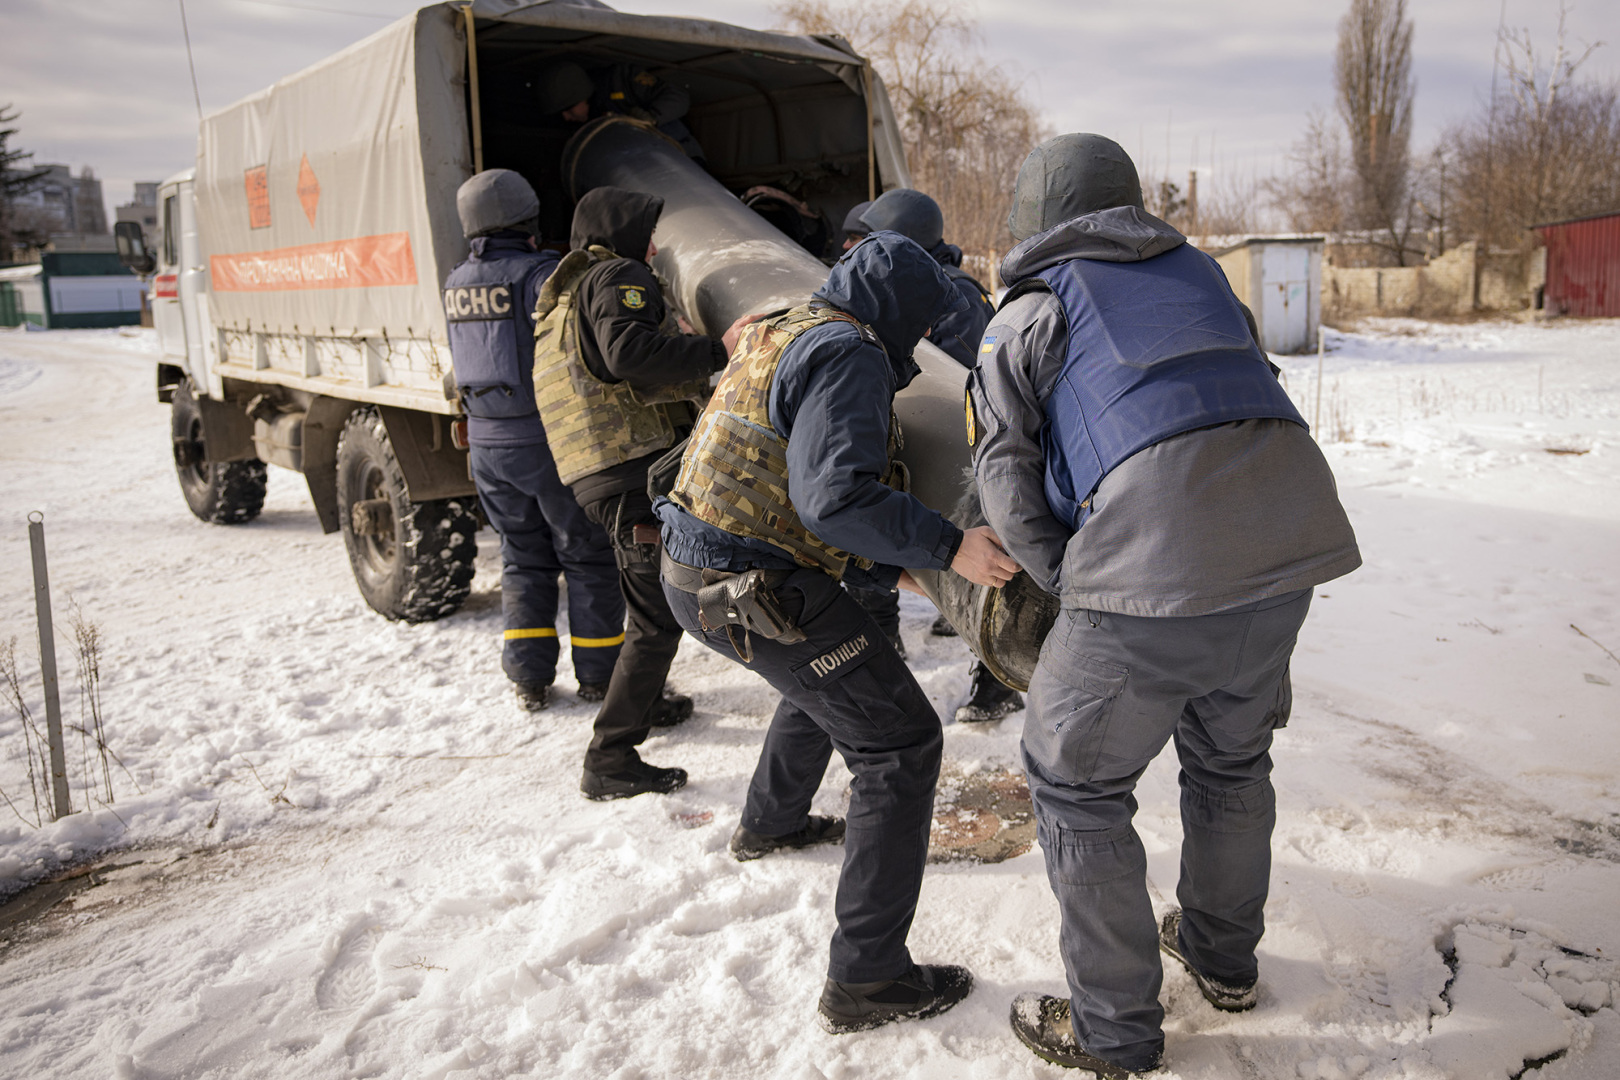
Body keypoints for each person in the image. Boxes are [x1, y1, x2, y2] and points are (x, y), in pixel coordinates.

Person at [970, 134, 1362, 1077]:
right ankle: (1224, 961)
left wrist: (1075, 581)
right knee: (1232, 758)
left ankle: (1114, 1033)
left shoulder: (1026, 313)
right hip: (1288, 552)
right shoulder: (1206, 284)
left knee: (1074, 785)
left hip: (1147, 570)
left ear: (1030, 215)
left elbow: (1004, 481)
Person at [656, 231, 1022, 1032]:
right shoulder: (850, 355)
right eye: (921, 328)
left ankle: (772, 821)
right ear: (900, 316)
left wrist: (881, 569)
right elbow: (831, 497)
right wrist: (949, 545)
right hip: (752, 584)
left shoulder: (785, 325)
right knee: (899, 744)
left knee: (840, 664)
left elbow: (782, 475)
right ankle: (867, 979)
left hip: (701, 570)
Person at [532, 185, 751, 800]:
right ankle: (611, 756)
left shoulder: (562, 295)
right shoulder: (617, 274)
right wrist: (718, 350)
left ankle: (648, 702)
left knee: (649, 601)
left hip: (598, 470)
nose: (654, 247)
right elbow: (627, 353)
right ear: (622, 231)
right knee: (658, 617)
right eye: (647, 232)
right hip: (631, 471)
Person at [442, 169, 626, 712]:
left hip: (486, 447)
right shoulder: (543, 275)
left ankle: (528, 678)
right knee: (587, 557)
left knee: (521, 558)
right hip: (546, 445)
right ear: (529, 219)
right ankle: (599, 675)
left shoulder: (456, 281)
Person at [859, 187, 1023, 723]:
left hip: (958, 446)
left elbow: (944, 369)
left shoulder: (942, 291)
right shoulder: (952, 286)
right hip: (957, 443)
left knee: (980, 565)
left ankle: (995, 683)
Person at [534, 61, 704, 162]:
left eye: (568, 109)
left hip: (684, 158)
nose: (566, 117)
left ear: (583, 96)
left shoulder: (621, 80)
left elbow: (679, 97)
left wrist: (651, 118)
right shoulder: (586, 124)